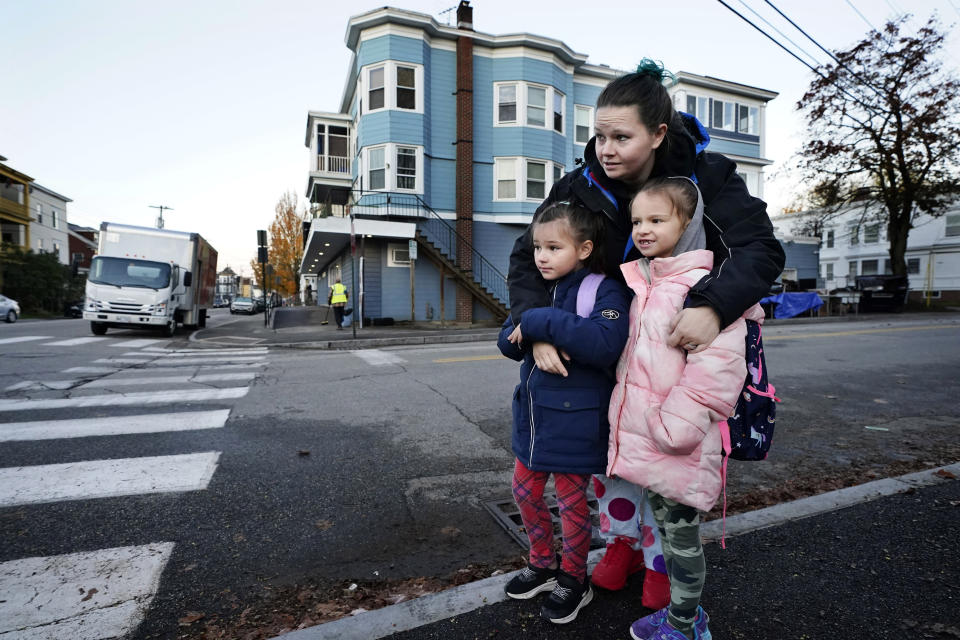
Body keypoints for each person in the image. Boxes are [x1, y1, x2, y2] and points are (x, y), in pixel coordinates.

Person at [507, 59, 785, 609]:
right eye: (599, 135)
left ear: (659, 134)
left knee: (669, 458)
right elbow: (526, 256)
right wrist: (533, 327)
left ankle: (663, 562)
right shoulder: (578, 187)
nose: (605, 149)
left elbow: (761, 250)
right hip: (606, 346)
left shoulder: (707, 178)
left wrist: (711, 307)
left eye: (621, 137)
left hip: (677, 339)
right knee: (612, 454)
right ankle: (621, 547)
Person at [609, 176, 763, 640]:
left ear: (689, 223)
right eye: (637, 220)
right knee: (668, 534)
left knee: (681, 538)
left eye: (658, 219)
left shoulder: (704, 287)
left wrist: (673, 425)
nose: (643, 228)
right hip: (653, 439)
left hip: (679, 441)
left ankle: (686, 623)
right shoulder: (645, 282)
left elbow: (718, 370)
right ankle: (683, 614)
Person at [497, 202, 630, 624]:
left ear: (585, 248)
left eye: (554, 247)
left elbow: (606, 342)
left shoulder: (602, 289)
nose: (541, 256)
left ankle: (575, 578)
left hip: (576, 425)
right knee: (525, 494)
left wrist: (540, 322)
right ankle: (541, 563)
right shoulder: (536, 288)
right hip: (533, 424)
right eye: (538, 247)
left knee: (571, 505)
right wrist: (529, 331)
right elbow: (507, 337)